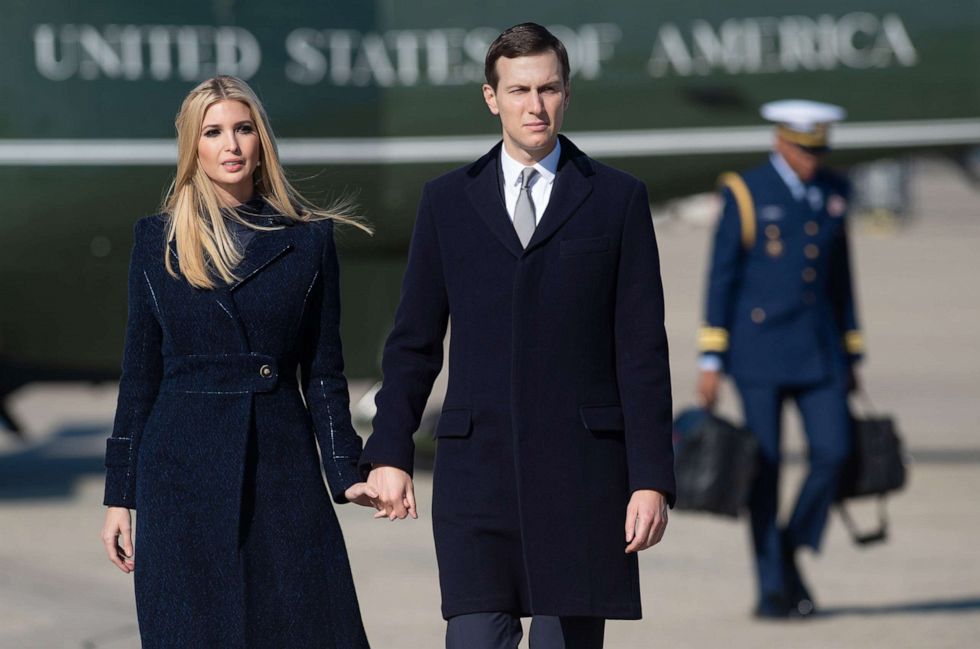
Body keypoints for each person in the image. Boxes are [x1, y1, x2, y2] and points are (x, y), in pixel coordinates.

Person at [360, 23, 676, 649]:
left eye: (549, 89)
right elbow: (415, 342)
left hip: (584, 479)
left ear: (567, 94)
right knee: (474, 639)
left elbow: (642, 353)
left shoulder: (617, 200)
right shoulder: (447, 203)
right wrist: (390, 450)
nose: (535, 106)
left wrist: (651, 479)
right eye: (520, 90)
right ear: (491, 97)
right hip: (478, 480)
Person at [99, 75, 378, 648]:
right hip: (179, 476)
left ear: (261, 141)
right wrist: (119, 495)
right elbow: (140, 375)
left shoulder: (309, 241)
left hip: (281, 467)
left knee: (303, 628)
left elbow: (324, 373)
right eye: (214, 131)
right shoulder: (157, 242)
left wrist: (346, 472)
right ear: (192, 147)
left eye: (243, 129)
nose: (231, 145)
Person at [696, 100, 864, 619]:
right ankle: (773, 589)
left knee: (835, 453)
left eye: (818, 151)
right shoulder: (746, 193)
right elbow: (721, 277)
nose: (811, 161)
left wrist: (852, 348)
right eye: (803, 150)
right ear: (780, 143)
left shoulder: (834, 191)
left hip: (819, 350)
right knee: (763, 471)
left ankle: (788, 551)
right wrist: (711, 357)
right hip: (759, 353)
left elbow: (840, 279)